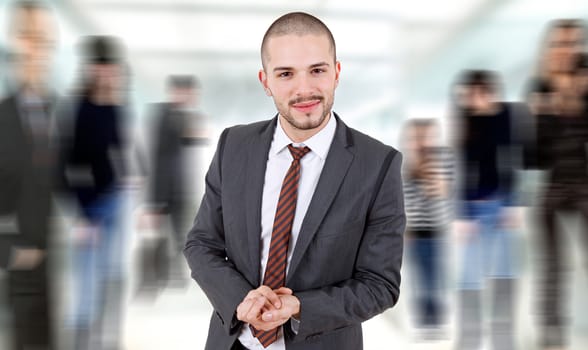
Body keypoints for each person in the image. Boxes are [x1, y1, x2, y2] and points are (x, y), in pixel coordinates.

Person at [184, 11, 405, 350]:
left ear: (336, 73)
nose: (305, 89)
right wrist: (241, 300)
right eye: (286, 74)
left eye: (317, 70)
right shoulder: (234, 146)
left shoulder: (378, 163)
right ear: (265, 81)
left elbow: (380, 285)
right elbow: (202, 244)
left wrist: (300, 307)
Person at [59, 35, 130, 350]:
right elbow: (65, 165)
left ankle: (105, 340)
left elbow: (114, 151)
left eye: (111, 68)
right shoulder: (78, 109)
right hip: (91, 208)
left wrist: (126, 178)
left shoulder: (114, 107)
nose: (106, 74)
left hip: (115, 199)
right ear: (90, 70)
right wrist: (82, 214)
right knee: (86, 282)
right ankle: (80, 343)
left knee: (112, 275)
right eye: (100, 68)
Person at [525, 19, 588, 350]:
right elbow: (534, 158)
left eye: (572, 42)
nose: (566, 50)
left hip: (585, 183)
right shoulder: (539, 88)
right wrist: (541, 118)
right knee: (552, 267)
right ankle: (552, 334)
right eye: (560, 43)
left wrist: (578, 101)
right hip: (554, 184)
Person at [0, 1, 58, 349]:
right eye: (27, 37)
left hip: (58, 260)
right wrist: (8, 252)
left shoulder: (59, 112)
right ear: (12, 40)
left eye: (43, 40)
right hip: (17, 264)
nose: (36, 49)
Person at [451, 70, 521, 350]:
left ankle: (504, 340)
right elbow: (460, 171)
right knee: (470, 277)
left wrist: (513, 203)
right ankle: (469, 339)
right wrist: (462, 215)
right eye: (471, 93)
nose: (476, 98)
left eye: (482, 92)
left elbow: (510, 158)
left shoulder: (504, 117)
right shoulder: (464, 122)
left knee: (504, 273)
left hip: (501, 205)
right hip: (473, 211)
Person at [138, 75, 208, 294]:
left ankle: (173, 274)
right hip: (161, 188)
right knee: (156, 238)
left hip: (181, 189)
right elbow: (155, 157)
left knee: (181, 236)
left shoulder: (184, 117)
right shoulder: (161, 115)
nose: (191, 98)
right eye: (187, 93)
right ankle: (152, 278)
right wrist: (153, 200)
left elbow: (194, 141)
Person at [400, 118, 452, 340]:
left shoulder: (442, 159)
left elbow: (442, 192)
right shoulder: (404, 163)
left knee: (436, 277)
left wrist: (431, 173)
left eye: (425, 136)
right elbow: (404, 201)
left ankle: (437, 321)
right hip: (413, 232)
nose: (421, 142)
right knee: (418, 279)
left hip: (437, 229)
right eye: (417, 137)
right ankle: (422, 322)